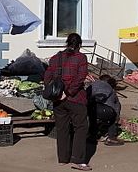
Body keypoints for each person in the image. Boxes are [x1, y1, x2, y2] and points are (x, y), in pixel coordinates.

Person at [43, 33, 91, 171]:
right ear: (79, 45)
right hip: (76, 99)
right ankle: (78, 160)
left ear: (66, 43)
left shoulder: (55, 58)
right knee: (81, 128)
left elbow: (47, 77)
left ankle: (63, 158)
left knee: (62, 128)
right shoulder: (81, 58)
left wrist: (55, 93)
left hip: (58, 101)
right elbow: (80, 78)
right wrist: (68, 92)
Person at [87, 74, 123, 146]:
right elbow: (101, 96)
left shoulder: (93, 84)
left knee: (93, 117)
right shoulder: (107, 87)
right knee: (113, 115)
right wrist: (116, 118)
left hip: (86, 106)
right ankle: (111, 138)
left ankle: (92, 136)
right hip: (99, 107)